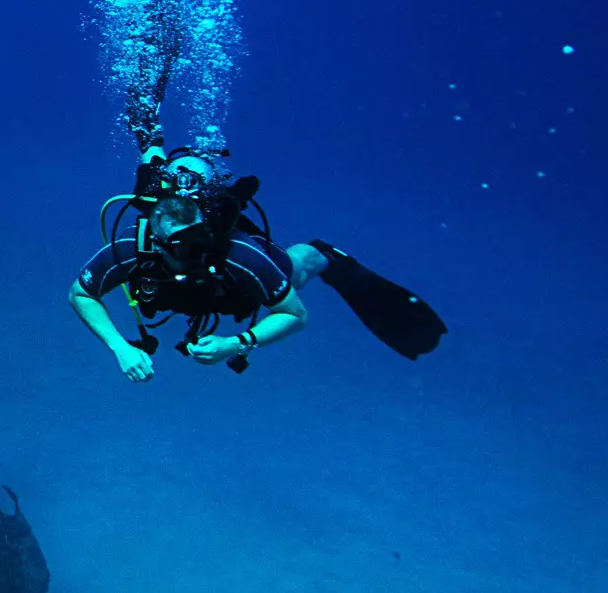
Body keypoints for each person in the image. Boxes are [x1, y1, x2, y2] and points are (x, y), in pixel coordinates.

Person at [68, 77, 447, 380]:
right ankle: (149, 66)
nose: (192, 252)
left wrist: (236, 343)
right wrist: (120, 347)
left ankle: (323, 253)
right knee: (149, 151)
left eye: (197, 240)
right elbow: (80, 293)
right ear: (157, 238)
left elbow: (295, 315)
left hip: (232, 290)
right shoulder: (134, 249)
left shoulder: (237, 252)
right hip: (167, 264)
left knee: (294, 271)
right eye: (180, 246)